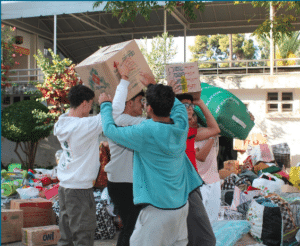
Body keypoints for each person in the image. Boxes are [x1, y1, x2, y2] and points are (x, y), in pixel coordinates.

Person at [98, 81, 202, 246]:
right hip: (181, 207)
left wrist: (105, 105)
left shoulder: (145, 131)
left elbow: (110, 130)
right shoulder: (182, 125)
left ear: (149, 108)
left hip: (157, 210)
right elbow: (179, 108)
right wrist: (154, 85)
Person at [54, 58, 134, 246]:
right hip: (79, 190)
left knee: (67, 236)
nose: (90, 109)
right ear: (83, 104)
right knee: (83, 235)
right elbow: (115, 111)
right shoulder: (83, 126)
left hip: (65, 188)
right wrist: (124, 79)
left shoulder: (62, 121)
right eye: (90, 104)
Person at [105, 73, 147, 246]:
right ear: (129, 103)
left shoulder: (129, 120)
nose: (143, 106)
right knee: (131, 227)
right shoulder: (123, 121)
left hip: (124, 182)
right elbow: (155, 124)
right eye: (140, 102)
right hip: (123, 184)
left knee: (132, 226)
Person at [176, 93, 220, 246]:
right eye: (184, 105)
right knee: (206, 239)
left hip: (193, 186)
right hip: (184, 189)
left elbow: (215, 129)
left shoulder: (190, 133)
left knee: (189, 236)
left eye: (191, 105)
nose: (189, 109)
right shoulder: (172, 130)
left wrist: (200, 103)